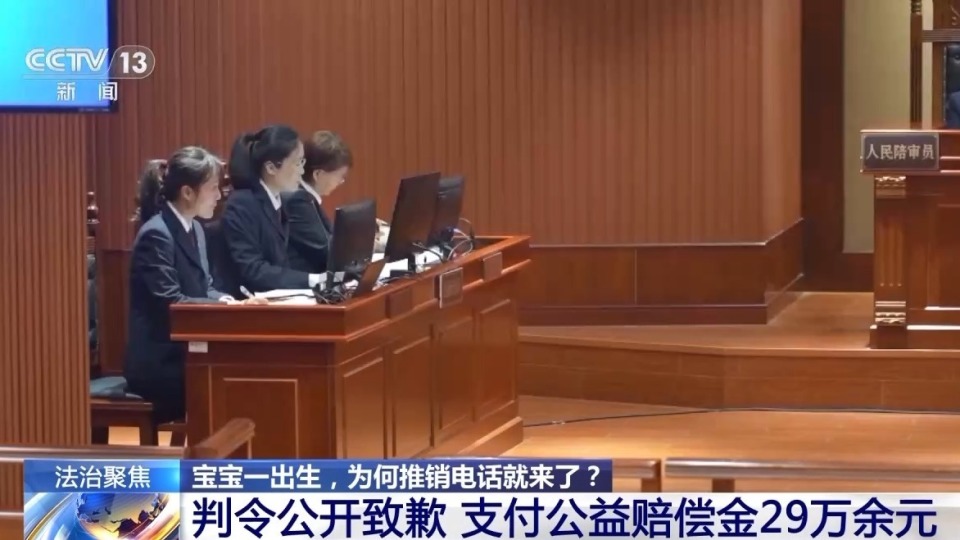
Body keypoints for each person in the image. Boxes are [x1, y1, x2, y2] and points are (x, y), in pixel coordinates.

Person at [125, 147, 266, 424]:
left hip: (188, 352)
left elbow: (206, 287)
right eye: (213, 187)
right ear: (188, 192)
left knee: (251, 369)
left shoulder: (196, 229)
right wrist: (229, 311)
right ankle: (214, 448)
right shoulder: (157, 235)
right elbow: (172, 303)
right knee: (237, 379)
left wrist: (230, 302)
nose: (219, 195)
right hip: (161, 363)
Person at [222, 124, 326, 292]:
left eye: (303, 161)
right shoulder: (242, 204)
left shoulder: (278, 199)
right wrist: (313, 279)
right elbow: (254, 270)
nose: (302, 171)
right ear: (271, 168)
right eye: (297, 163)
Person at [283, 131, 353, 273]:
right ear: (318, 174)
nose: (341, 182)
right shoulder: (297, 200)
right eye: (339, 176)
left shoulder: (306, 198)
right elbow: (327, 252)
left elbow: (331, 238)